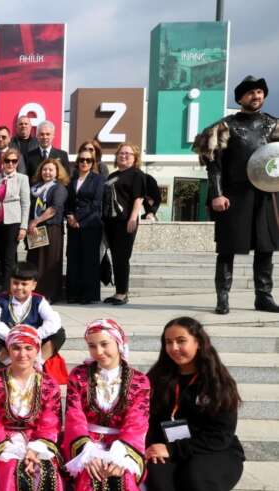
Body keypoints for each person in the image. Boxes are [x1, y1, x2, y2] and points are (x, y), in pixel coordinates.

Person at [193, 76, 279, 314]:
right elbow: (214, 165)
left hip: (266, 194)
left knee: (265, 248)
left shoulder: (274, 125)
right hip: (234, 195)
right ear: (240, 98)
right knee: (227, 248)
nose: (256, 96)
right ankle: (223, 298)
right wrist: (217, 194)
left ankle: (264, 297)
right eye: (251, 92)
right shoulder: (224, 126)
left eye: (260, 92)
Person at [145, 317, 245, 490]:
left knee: (195, 478)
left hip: (212, 449)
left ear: (198, 342)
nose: (174, 348)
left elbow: (220, 435)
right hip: (167, 446)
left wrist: (173, 449)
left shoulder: (217, 382)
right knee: (158, 479)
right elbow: (148, 420)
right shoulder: (157, 378)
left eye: (181, 341)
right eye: (168, 342)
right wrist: (153, 446)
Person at [63, 319, 150, 491]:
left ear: (118, 343)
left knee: (123, 476)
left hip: (123, 444)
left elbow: (137, 423)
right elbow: (74, 417)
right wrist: (87, 451)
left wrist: (119, 455)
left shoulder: (140, 381)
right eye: (92, 346)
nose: (99, 352)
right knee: (89, 474)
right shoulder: (78, 375)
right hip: (87, 443)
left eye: (104, 344)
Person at [0, 325, 64, 491]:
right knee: (12, 469)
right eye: (16, 348)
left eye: (28, 348)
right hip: (5, 443)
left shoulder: (49, 384)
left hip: (38, 441)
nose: (22, 354)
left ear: (37, 350)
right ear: (8, 350)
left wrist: (34, 450)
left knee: (48, 471)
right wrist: (14, 448)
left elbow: (50, 424)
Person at [0, 262, 65, 375]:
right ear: (10, 282)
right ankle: (11, 363)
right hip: (9, 342)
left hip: (33, 343)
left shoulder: (39, 301)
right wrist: (13, 337)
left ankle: (37, 362)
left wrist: (33, 336)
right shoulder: (0, 300)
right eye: (15, 283)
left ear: (33, 285)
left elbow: (53, 321)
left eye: (24, 284)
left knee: (59, 333)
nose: (19, 287)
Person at [103, 142, 146, 306]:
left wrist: (133, 218)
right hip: (111, 221)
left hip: (126, 221)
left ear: (135, 158)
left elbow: (138, 198)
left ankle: (123, 293)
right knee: (115, 257)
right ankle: (118, 291)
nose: (124, 156)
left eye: (128, 153)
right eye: (121, 153)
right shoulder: (112, 176)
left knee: (122, 257)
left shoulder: (137, 174)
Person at [26, 158, 69, 304]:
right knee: (35, 261)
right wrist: (30, 224)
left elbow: (54, 209)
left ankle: (49, 294)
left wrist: (36, 221)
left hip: (51, 229)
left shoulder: (59, 188)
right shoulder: (35, 188)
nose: (47, 172)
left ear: (57, 172)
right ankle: (35, 293)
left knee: (49, 262)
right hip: (35, 229)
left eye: (51, 170)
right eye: (45, 169)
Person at [65, 148, 105, 304]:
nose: (85, 162)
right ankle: (73, 293)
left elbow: (96, 203)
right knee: (73, 258)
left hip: (91, 224)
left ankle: (88, 295)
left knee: (89, 260)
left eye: (88, 160)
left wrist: (78, 218)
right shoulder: (72, 179)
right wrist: (69, 215)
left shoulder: (98, 179)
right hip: (73, 225)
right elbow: (68, 201)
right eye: (82, 159)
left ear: (93, 162)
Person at [0, 147, 30, 290]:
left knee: (9, 257)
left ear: (17, 162)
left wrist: (23, 226)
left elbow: (26, 203)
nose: (10, 164)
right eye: (7, 160)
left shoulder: (22, 178)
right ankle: (5, 283)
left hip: (13, 221)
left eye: (14, 161)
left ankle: (7, 289)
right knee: (0, 255)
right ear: (3, 161)